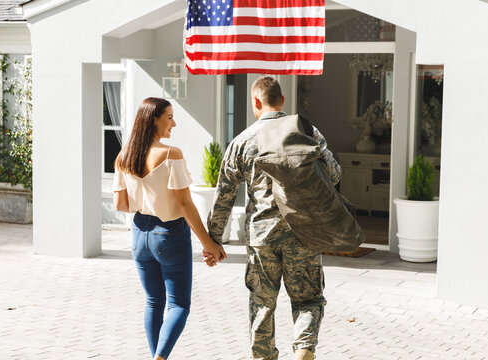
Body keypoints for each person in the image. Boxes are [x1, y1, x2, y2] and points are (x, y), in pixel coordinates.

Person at [205, 76, 342, 360]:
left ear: (256, 102)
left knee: (262, 303)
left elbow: (224, 197)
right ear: (282, 101)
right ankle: (304, 347)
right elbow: (335, 174)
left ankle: (264, 356)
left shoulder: (242, 141)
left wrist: (213, 240)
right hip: (303, 231)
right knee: (308, 299)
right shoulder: (307, 132)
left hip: (261, 236)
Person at [113, 97, 227, 360]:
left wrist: (145, 195)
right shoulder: (170, 154)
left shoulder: (124, 156)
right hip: (170, 234)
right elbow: (185, 204)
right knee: (178, 305)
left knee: (154, 302)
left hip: (140, 234)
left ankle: (157, 356)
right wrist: (208, 245)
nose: (174, 123)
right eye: (169, 117)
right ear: (154, 119)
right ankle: (160, 357)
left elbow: (121, 204)